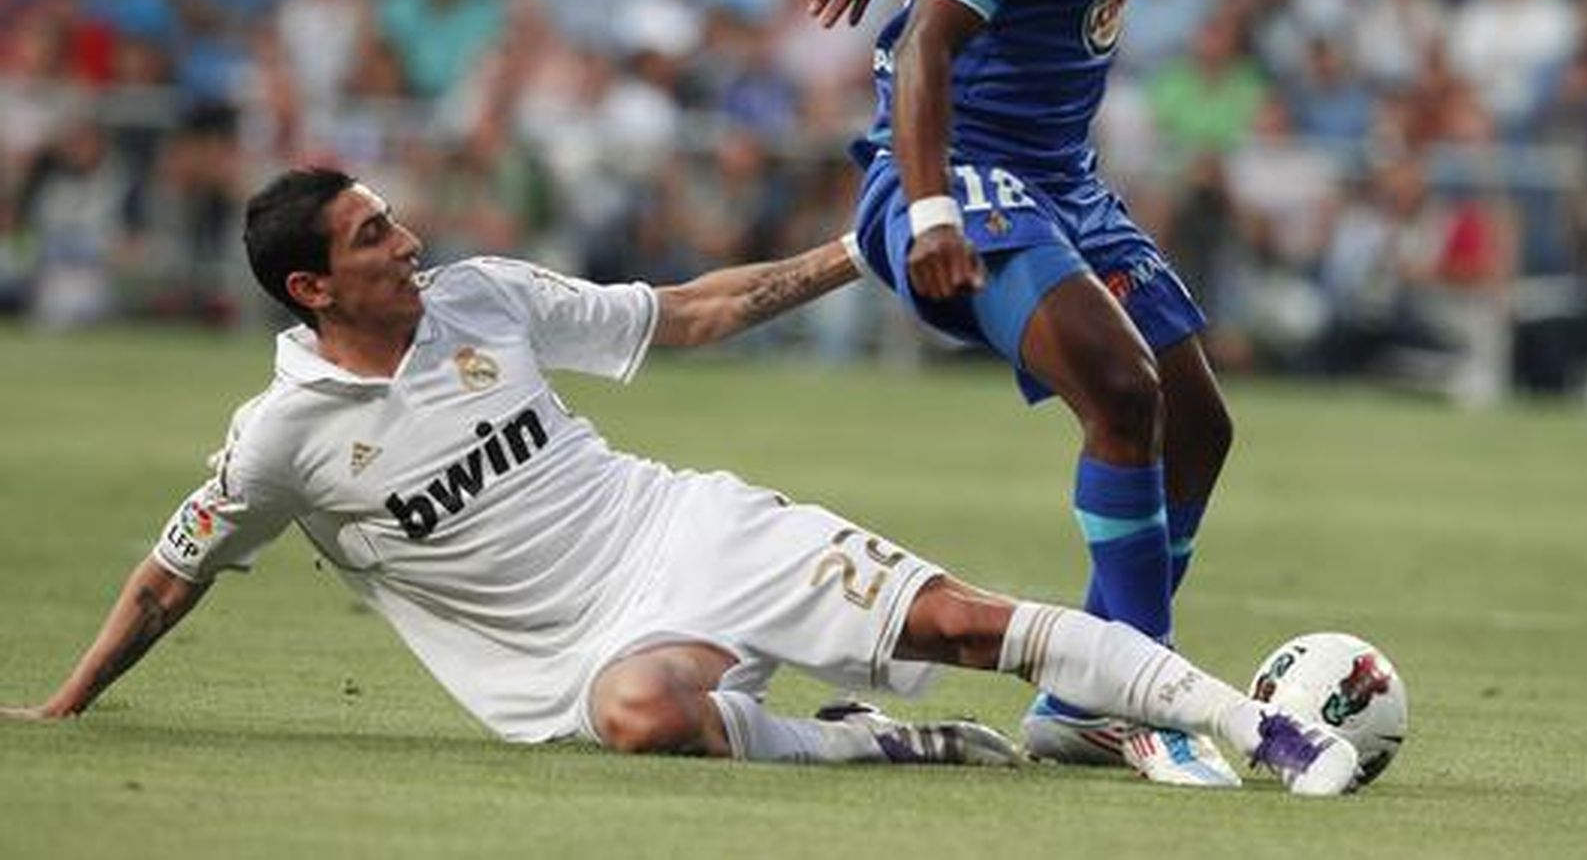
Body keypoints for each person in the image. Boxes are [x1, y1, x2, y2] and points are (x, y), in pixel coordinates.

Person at [0, 167, 1355, 796]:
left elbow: (683, 313)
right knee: (643, 713)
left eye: (393, 214)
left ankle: (1258, 723)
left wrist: (847, 251)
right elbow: (171, 570)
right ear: (313, 286)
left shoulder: (482, 298)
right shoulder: (285, 432)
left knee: (963, 621)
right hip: (587, 651)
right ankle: (891, 741)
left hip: (684, 526)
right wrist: (71, 697)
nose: (407, 238)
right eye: (372, 235)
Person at [807, 0, 1264, 785]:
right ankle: (1139, 693)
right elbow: (926, 46)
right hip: (960, 171)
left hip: (1057, 177)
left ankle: (1079, 701)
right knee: (1123, 396)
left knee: (1196, 422)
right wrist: (925, 211)